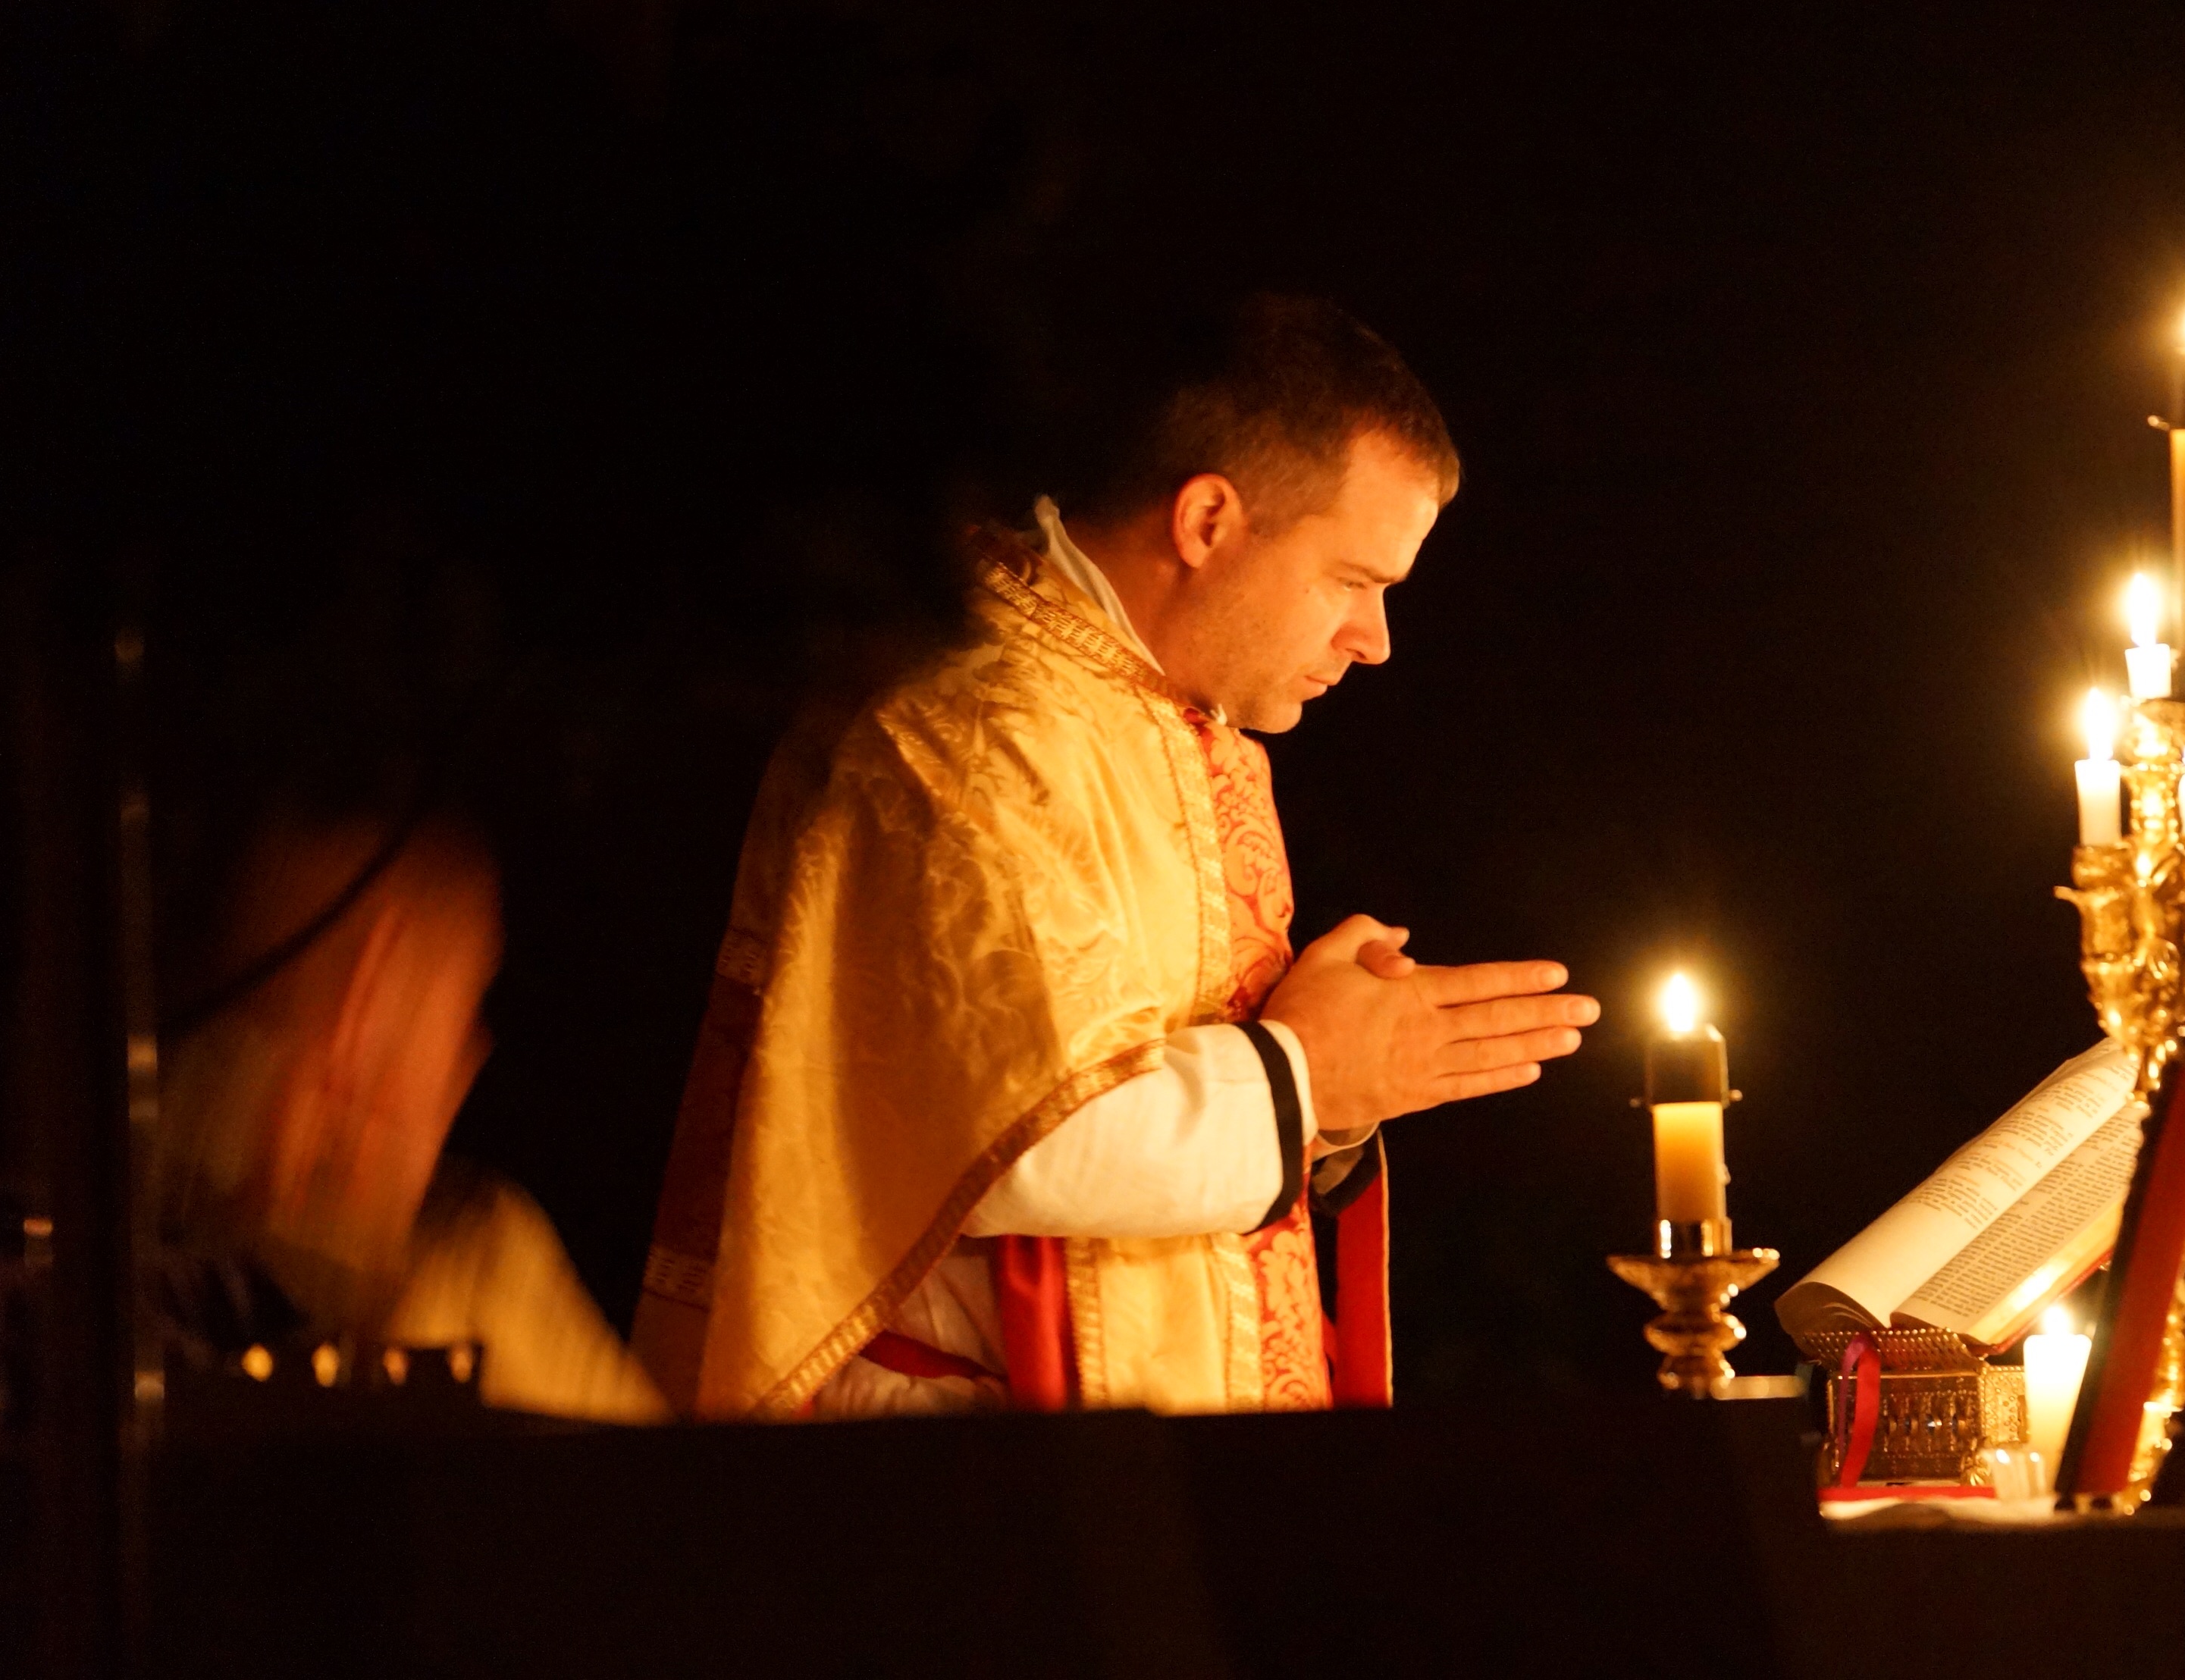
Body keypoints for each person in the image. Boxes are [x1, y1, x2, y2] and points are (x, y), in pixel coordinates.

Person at [635, 296, 1598, 1420]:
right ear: (1207, 520)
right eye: (1354, 579)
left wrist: (1333, 1090)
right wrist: (1307, 1076)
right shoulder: (973, 715)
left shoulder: (1145, 704)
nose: (1374, 641)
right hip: (947, 1464)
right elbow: (1018, 1138)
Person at [157, 812, 668, 1423]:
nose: (471, 1058)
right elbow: (679, 1480)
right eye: (463, 1004)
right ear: (368, 996)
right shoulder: (467, 1276)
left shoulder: (99, 1207)